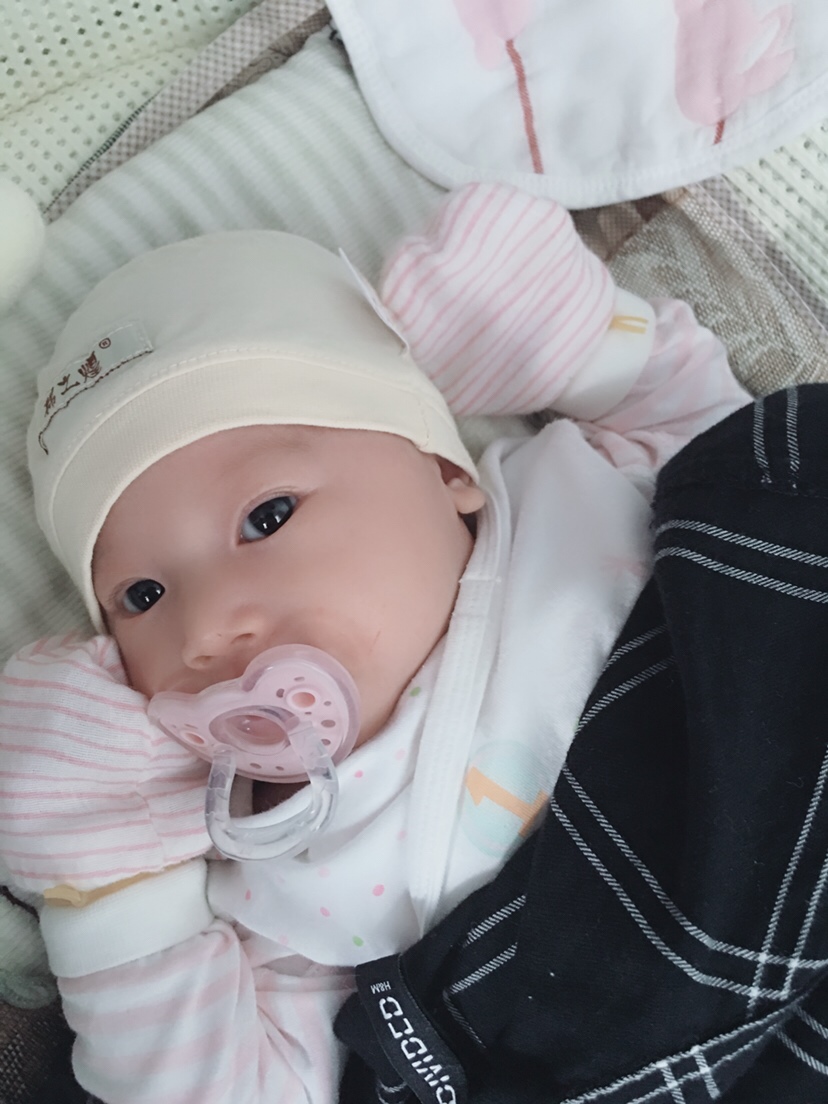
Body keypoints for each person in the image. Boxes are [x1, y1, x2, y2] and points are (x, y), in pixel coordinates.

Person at [0, 182, 750, 1104]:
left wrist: (578, 347)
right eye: (141, 596)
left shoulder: (581, 487)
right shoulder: (279, 866)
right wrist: (111, 885)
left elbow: (741, 460)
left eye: (267, 516)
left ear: (441, 470)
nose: (207, 626)